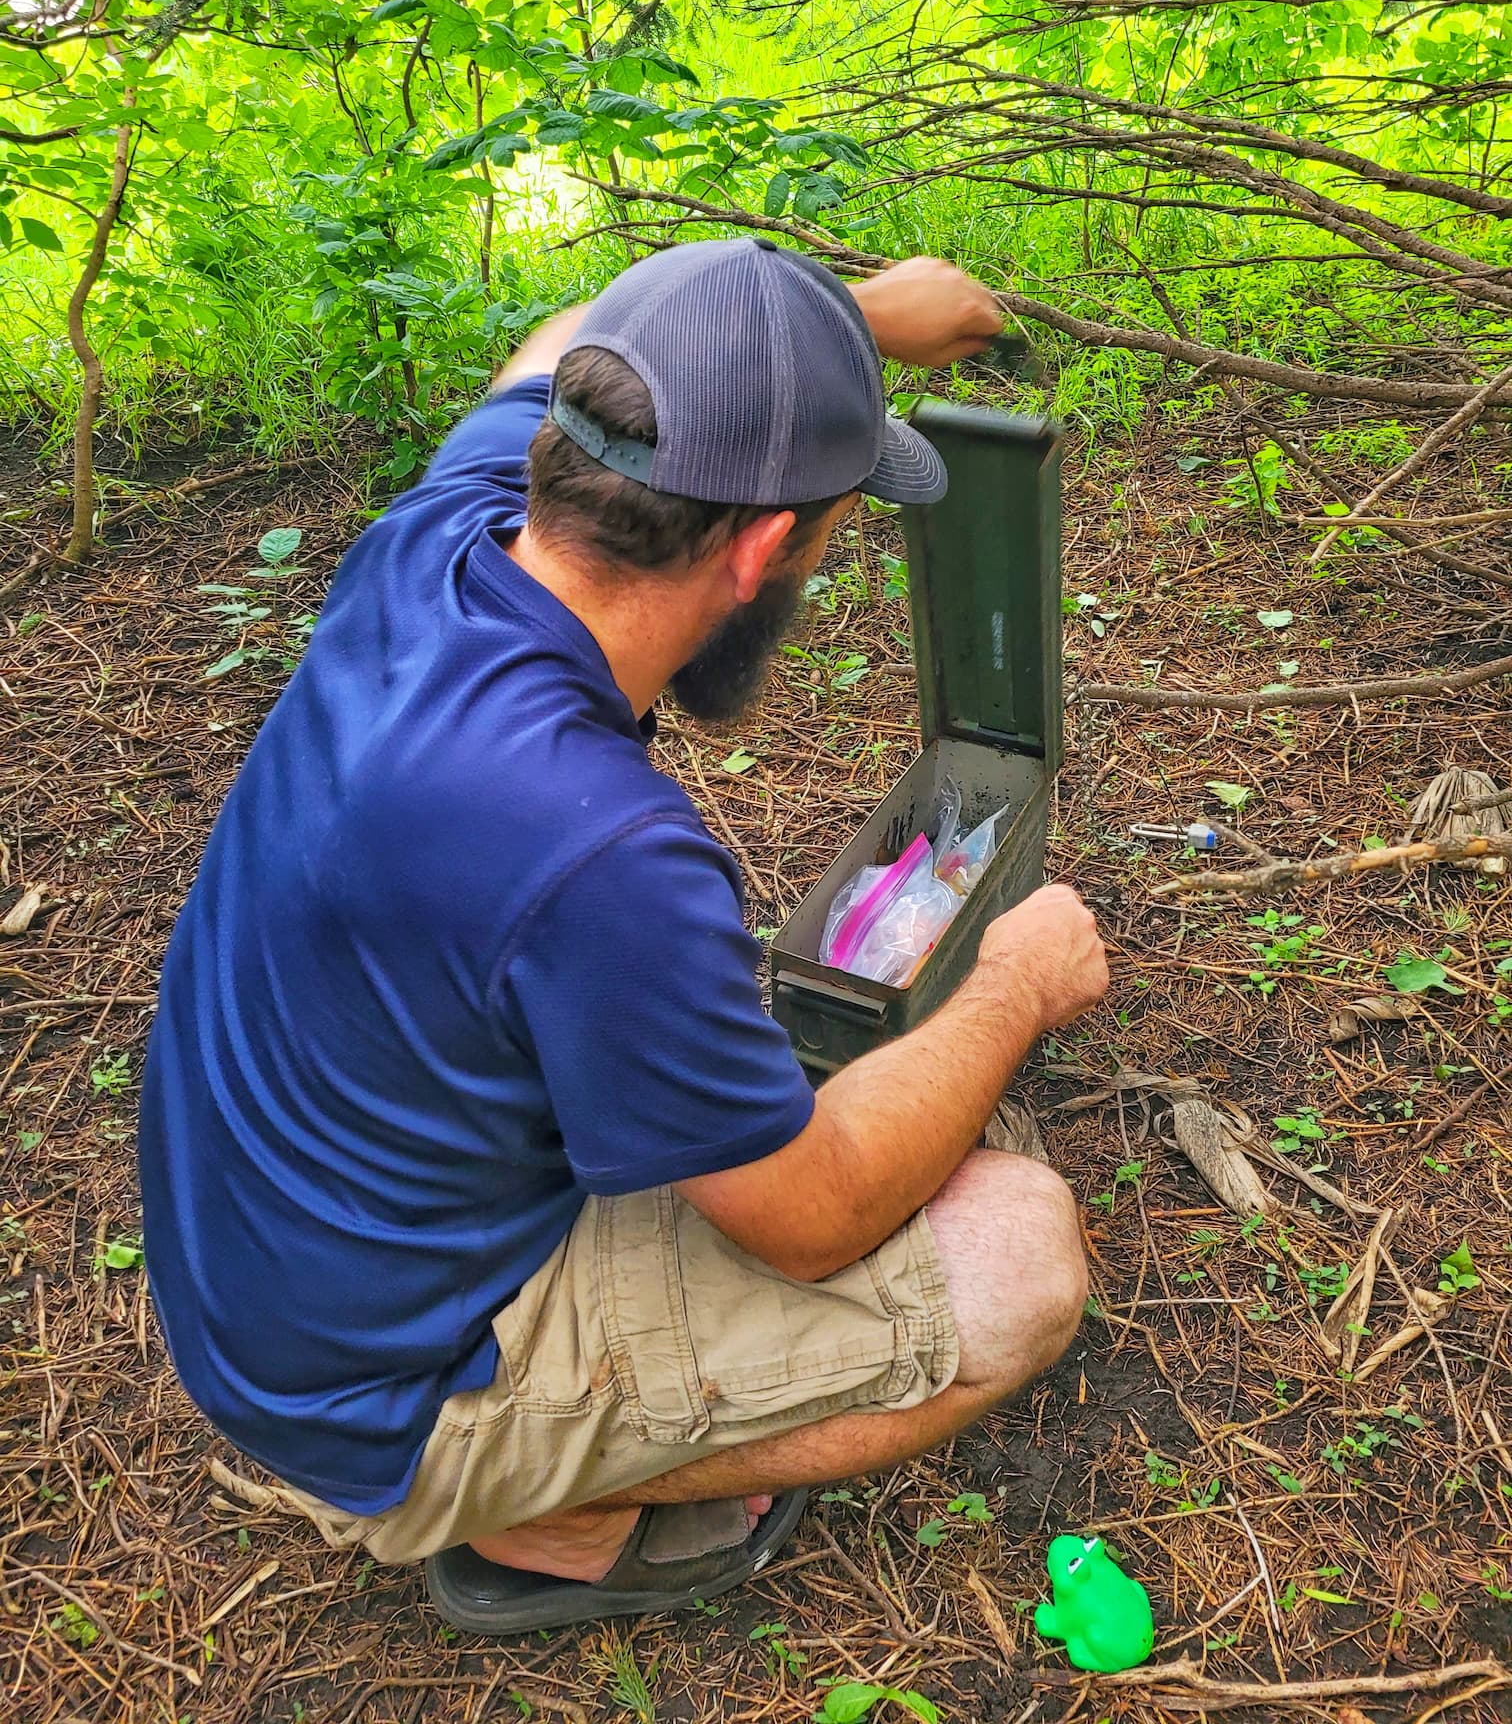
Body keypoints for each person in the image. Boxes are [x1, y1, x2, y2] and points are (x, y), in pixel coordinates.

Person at [139, 239, 1108, 1635]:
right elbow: (814, 1214)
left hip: (267, 1272)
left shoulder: (446, 538)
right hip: (378, 1389)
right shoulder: (600, 856)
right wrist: (1011, 984)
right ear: (764, 547)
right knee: (1017, 1255)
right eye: (829, 529)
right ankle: (537, 1511)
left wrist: (840, 325)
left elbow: (564, 331)